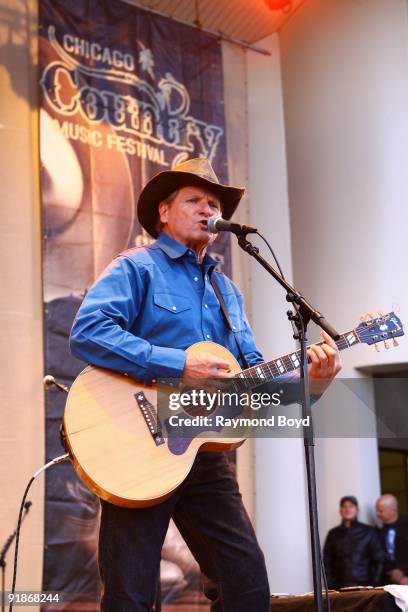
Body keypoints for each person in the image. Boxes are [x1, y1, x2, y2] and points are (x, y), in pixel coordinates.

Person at [70, 157, 342, 611]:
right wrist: (179, 364)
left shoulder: (227, 292)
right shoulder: (136, 268)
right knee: (130, 595)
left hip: (204, 453)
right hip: (136, 445)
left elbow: (253, 376)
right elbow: (88, 331)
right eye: (194, 200)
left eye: (213, 203)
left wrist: (312, 384)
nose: (206, 209)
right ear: (163, 211)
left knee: (247, 586)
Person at [323, 495, 384, 590]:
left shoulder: (369, 531)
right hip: (339, 587)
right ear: (340, 511)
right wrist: (330, 585)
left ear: (357, 510)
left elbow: (379, 559)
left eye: (351, 506)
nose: (348, 509)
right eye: (344, 506)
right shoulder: (333, 534)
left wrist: (374, 584)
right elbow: (326, 562)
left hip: (365, 585)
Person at [376, 493, 408, 585]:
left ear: (393, 510)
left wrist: (402, 571)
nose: (377, 514)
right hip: (388, 581)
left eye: (381, 511)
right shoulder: (377, 530)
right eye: (376, 510)